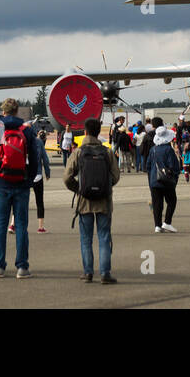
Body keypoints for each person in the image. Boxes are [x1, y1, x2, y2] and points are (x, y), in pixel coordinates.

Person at [0, 98, 38, 278]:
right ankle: (22, 267)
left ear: (3, 111)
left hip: (1, 182)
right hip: (21, 182)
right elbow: (35, 158)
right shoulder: (26, 129)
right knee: (21, 225)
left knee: (0, 226)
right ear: (16, 111)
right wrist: (29, 178)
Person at [63, 116, 121, 284]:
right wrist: (105, 187)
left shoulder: (78, 152)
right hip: (104, 202)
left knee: (86, 238)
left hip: (84, 202)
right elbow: (116, 177)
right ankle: (105, 274)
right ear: (98, 133)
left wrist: (79, 189)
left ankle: (88, 273)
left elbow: (67, 178)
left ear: (85, 132)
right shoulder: (107, 152)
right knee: (104, 237)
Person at [148, 126, 181, 232]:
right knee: (172, 201)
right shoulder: (168, 150)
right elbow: (174, 166)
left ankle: (157, 225)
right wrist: (175, 177)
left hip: (154, 180)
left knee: (157, 204)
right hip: (166, 180)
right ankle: (167, 222)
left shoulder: (152, 149)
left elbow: (148, 166)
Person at [32, 128, 52, 233]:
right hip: (38, 175)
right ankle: (40, 227)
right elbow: (45, 159)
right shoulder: (39, 142)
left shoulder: (22, 140)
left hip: (25, 175)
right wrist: (47, 173)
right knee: (39, 201)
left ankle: (13, 224)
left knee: (19, 201)